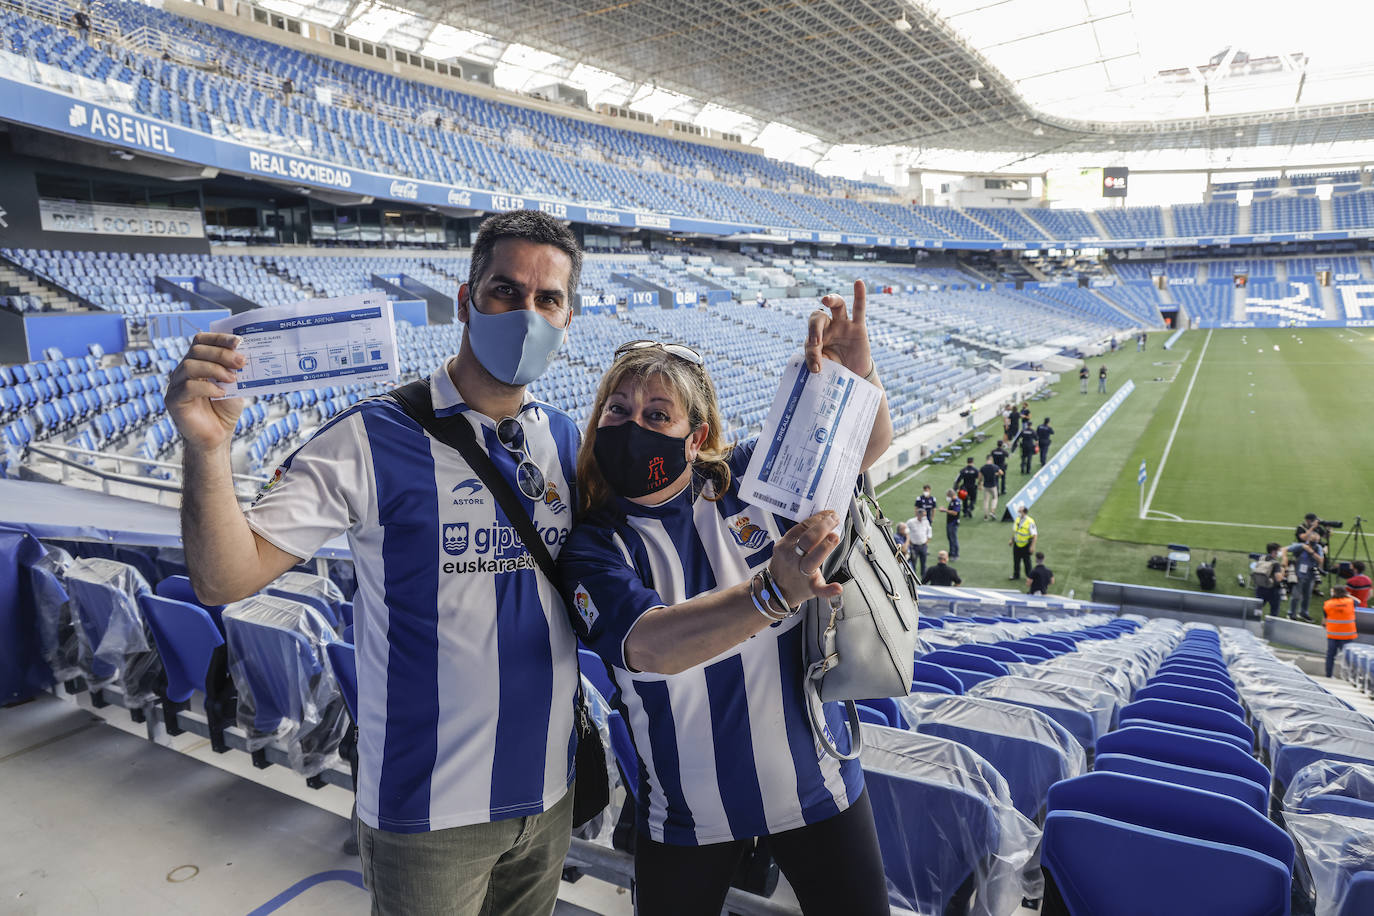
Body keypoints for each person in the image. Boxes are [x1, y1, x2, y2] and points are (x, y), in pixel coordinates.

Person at [166, 211, 586, 916]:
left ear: (568, 316)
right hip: (427, 815)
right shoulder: (368, 438)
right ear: (465, 300)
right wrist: (207, 449)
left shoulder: (564, 437)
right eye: (505, 292)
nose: (527, 315)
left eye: (548, 300)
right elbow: (223, 579)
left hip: (550, 797)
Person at [557, 280, 893, 916]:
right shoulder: (594, 546)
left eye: (658, 415)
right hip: (686, 815)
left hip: (817, 788)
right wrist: (770, 595)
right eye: (618, 410)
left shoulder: (746, 482)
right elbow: (651, 646)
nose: (634, 427)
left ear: (695, 436)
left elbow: (864, 449)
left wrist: (858, 374)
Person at [1288, 529, 1325, 621]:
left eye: (1316, 541)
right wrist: (1284, 560)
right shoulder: (1301, 546)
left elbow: (1320, 560)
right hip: (1299, 575)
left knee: (1307, 596)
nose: (1314, 543)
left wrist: (1311, 551)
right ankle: (1291, 613)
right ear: (1308, 539)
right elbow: (1285, 549)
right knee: (1296, 595)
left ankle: (1303, 613)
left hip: (1311, 576)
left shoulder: (1318, 548)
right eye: (1312, 541)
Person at [1323, 585, 1358, 677]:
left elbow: (1325, 619)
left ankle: (1329, 675)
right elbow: (1359, 601)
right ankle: (1352, 676)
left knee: (1330, 656)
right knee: (1349, 658)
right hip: (1347, 636)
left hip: (1332, 635)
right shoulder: (1350, 602)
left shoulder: (1328, 604)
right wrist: (1347, 595)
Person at [1251, 542, 1285, 617]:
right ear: (1274, 551)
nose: (1280, 552)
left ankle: (1254, 623)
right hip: (1272, 590)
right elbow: (1278, 578)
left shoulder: (1261, 558)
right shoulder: (1276, 564)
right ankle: (1270, 627)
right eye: (1279, 551)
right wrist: (1283, 570)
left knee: (1257, 609)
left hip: (1260, 587)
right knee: (1274, 612)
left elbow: (1251, 554)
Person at [1010, 504, 1037, 581]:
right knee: (1016, 561)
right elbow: (1016, 531)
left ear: (1024, 512)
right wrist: (1012, 540)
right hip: (1017, 544)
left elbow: (1034, 535)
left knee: (1027, 562)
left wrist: (1032, 546)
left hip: (1026, 545)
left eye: (1020, 510)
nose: (1018, 511)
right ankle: (1016, 575)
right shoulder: (1017, 519)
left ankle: (1029, 576)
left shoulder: (1030, 522)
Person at [904, 507, 932, 579]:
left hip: (923, 546)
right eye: (923, 515)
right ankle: (913, 577)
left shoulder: (926, 521)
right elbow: (906, 530)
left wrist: (927, 540)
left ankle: (924, 577)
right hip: (914, 546)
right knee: (913, 563)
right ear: (918, 515)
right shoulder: (911, 522)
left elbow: (929, 530)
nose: (925, 517)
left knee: (923, 563)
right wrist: (909, 540)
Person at [940, 488, 962, 560]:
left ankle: (955, 554)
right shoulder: (953, 501)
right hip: (950, 522)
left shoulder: (956, 502)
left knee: (953, 538)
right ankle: (951, 552)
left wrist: (945, 510)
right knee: (950, 538)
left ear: (950, 495)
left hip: (953, 523)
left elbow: (955, 513)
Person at [978, 453, 1002, 520]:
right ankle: (992, 511)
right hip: (993, 485)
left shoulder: (983, 467)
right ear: (991, 459)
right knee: (995, 498)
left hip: (986, 486)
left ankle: (985, 515)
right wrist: (996, 474)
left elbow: (980, 477)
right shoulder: (995, 467)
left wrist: (980, 484)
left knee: (986, 501)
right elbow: (1001, 473)